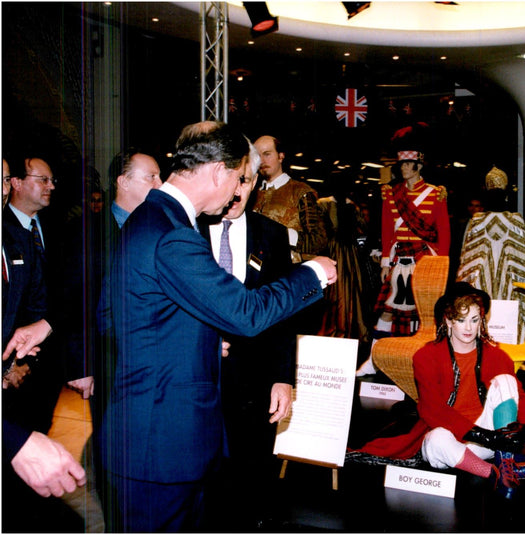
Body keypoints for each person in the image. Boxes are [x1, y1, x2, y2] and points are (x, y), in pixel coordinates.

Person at [97, 122, 337, 532]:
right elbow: (245, 313)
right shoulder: (172, 233)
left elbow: (115, 317)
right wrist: (312, 273)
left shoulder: (150, 219)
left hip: (151, 439)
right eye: (240, 178)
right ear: (218, 172)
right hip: (162, 448)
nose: (238, 192)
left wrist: (200, 342)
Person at [352, 283, 525, 499]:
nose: (469, 328)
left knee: (506, 381)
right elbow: (432, 410)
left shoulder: (497, 356)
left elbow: (520, 397)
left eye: (474, 320)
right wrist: (482, 436)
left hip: (492, 440)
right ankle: (496, 473)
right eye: (461, 320)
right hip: (454, 445)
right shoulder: (426, 357)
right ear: (448, 321)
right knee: (436, 440)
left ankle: (505, 460)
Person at [197, 131, 297, 530]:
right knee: (202, 471)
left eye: (246, 181)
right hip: (198, 376)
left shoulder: (271, 235)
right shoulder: (186, 231)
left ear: (255, 183)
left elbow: (283, 314)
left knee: (252, 473)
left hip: (254, 379)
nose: (237, 192)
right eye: (233, 181)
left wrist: (282, 379)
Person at [357, 138, 450, 376]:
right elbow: (387, 230)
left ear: (418, 165)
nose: (403, 169)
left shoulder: (435, 193)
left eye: (407, 164)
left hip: (425, 259)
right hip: (399, 258)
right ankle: (375, 359)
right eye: (401, 165)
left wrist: (440, 265)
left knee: (424, 312)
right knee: (387, 309)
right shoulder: (391, 194)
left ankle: (423, 363)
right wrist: (386, 261)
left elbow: (444, 232)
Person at [4, 156, 63, 434]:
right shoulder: (8, 231)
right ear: (16, 183)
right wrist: (10, 365)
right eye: (43, 180)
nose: (50, 186)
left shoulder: (61, 227)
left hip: (43, 360)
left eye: (52, 180)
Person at [456, 166, 525, 343]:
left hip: (481, 284)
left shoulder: (476, 221)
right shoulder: (516, 221)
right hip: (510, 284)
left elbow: (465, 258)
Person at [251, 134, 328, 263]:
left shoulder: (300, 192)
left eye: (267, 154)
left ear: (281, 156)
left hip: (289, 272)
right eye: (258, 156)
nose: (262, 161)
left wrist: (282, 234)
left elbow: (318, 240)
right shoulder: (252, 193)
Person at [316, 169, 371, 344]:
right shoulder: (352, 206)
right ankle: (349, 331)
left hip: (333, 252)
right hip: (350, 255)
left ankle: (335, 331)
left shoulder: (324, 204)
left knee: (335, 294)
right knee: (350, 293)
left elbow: (319, 232)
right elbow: (363, 230)